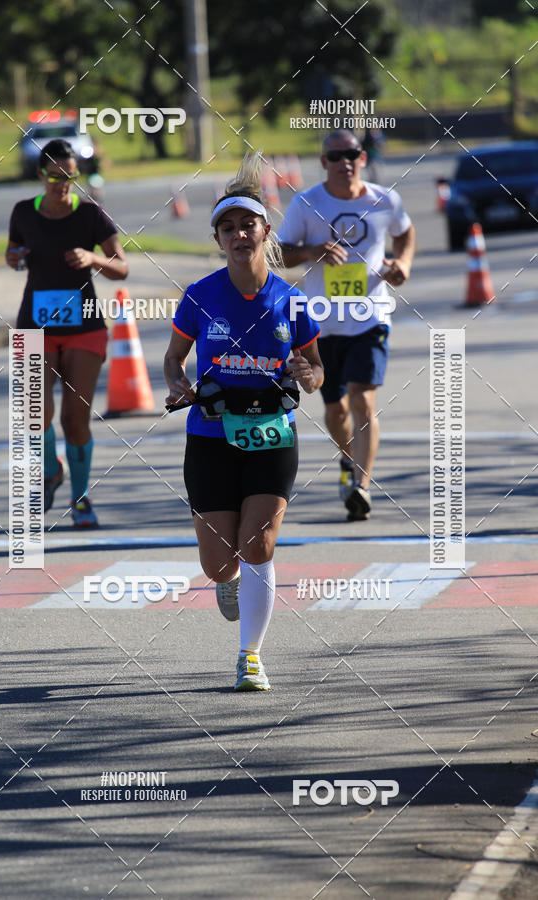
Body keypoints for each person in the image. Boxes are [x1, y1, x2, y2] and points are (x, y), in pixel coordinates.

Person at [164, 153, 323, 691]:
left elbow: (316, 370)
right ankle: (227, 582)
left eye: (247, 225)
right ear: (218, 239)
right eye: (227, 227)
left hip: (273, 433)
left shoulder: (292, 301)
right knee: (218, 563)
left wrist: (307, 372)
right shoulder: (199, 296)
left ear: (265, 231)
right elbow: (172, 358)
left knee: (259, 544)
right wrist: (176, 381)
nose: (238, 234)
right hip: (210, 434)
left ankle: (250, 656)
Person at [278, 129, 415, 521]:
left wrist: (401, 264)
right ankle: (347, 459)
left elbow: (405, 233)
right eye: (335, 156)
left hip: (369, 318)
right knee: (336, 412)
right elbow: (281, 254)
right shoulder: (307, 204)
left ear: (363, 157)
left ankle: (361, 486)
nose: (345, 162)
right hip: (321, 324)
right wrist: (311, 251)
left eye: (352, 153)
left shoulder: (384, 200)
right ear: (323, 162)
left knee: (363, 400)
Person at [6, 139, 128, 527]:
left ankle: (80, 500)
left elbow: (121, 267)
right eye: (56, 176)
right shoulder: (24, 212)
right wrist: (14, 258)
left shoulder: (91, 215)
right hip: (34, 324)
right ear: (41, 174)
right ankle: (50, 469)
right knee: (34, 412)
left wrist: (93, 257)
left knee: (76, 420)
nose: (63, 184)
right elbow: (14, 252)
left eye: (70, 176)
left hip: (83, 326)